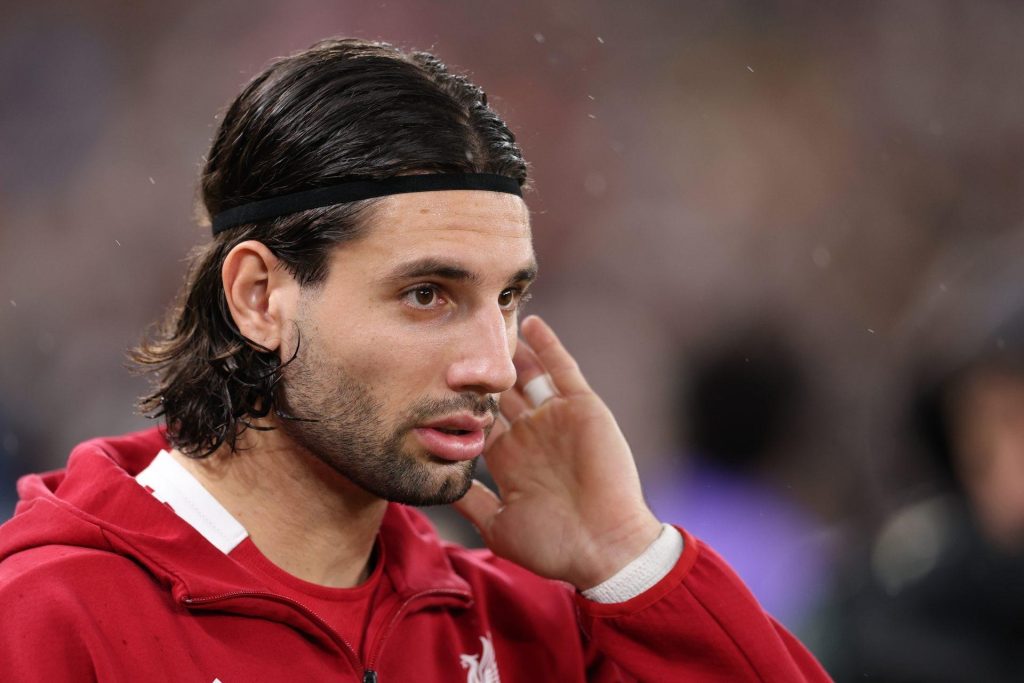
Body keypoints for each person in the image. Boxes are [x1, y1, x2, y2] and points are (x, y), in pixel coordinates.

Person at [0, 38, 828, 682]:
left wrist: (629, 558)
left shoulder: (532, 624)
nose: (494, 365)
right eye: (428, 293)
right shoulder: (48, 617)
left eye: (508, 297)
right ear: (259, 296)